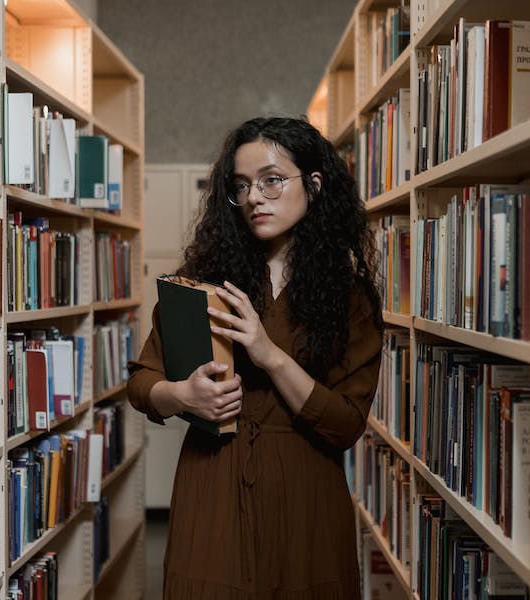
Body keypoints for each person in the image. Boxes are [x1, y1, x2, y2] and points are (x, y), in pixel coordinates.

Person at [127, 116, 384, 598]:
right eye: (241, 186)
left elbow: (347, 424)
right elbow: (142, 384)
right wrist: (183, 396)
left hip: (306, 498)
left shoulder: (350, 297)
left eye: (271, 180)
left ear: (313, 182)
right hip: (213, 485)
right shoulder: (201, 279)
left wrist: (269, 355)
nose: (254, 198)